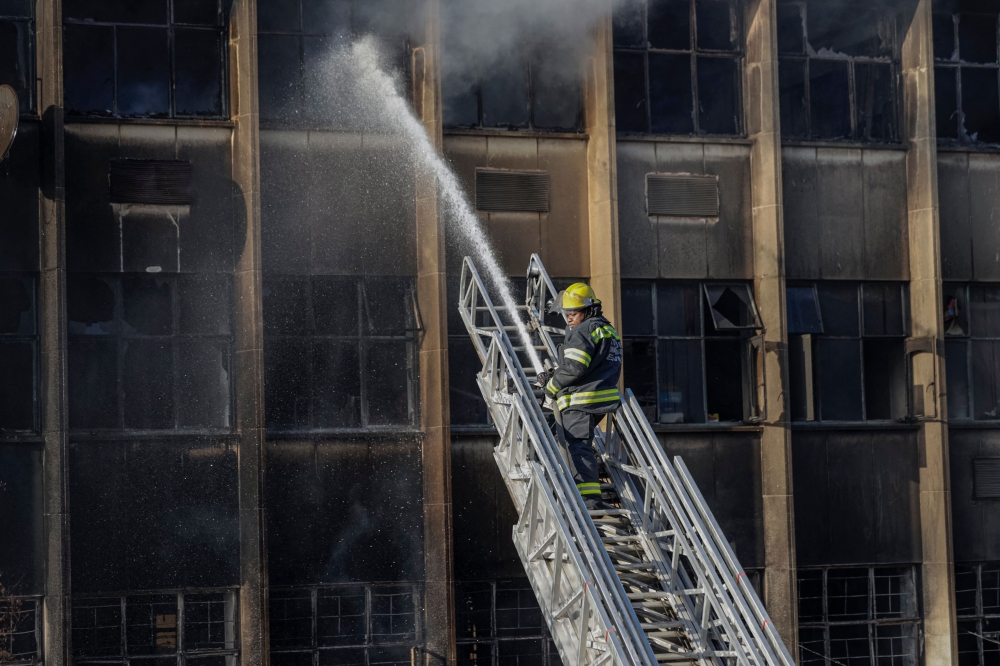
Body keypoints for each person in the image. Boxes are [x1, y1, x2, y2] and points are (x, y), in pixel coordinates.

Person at [540, 283, 622, 511]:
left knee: (577, 446)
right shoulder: (607, 330)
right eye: (566, 314)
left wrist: (551, 388)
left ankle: (588, 503)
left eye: (573, 313)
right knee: (560, 436)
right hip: (599, 398)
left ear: (589, 309)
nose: (569, 319)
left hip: (580, 402)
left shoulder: (582, 331)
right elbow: (590, 366)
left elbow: (575, 367)